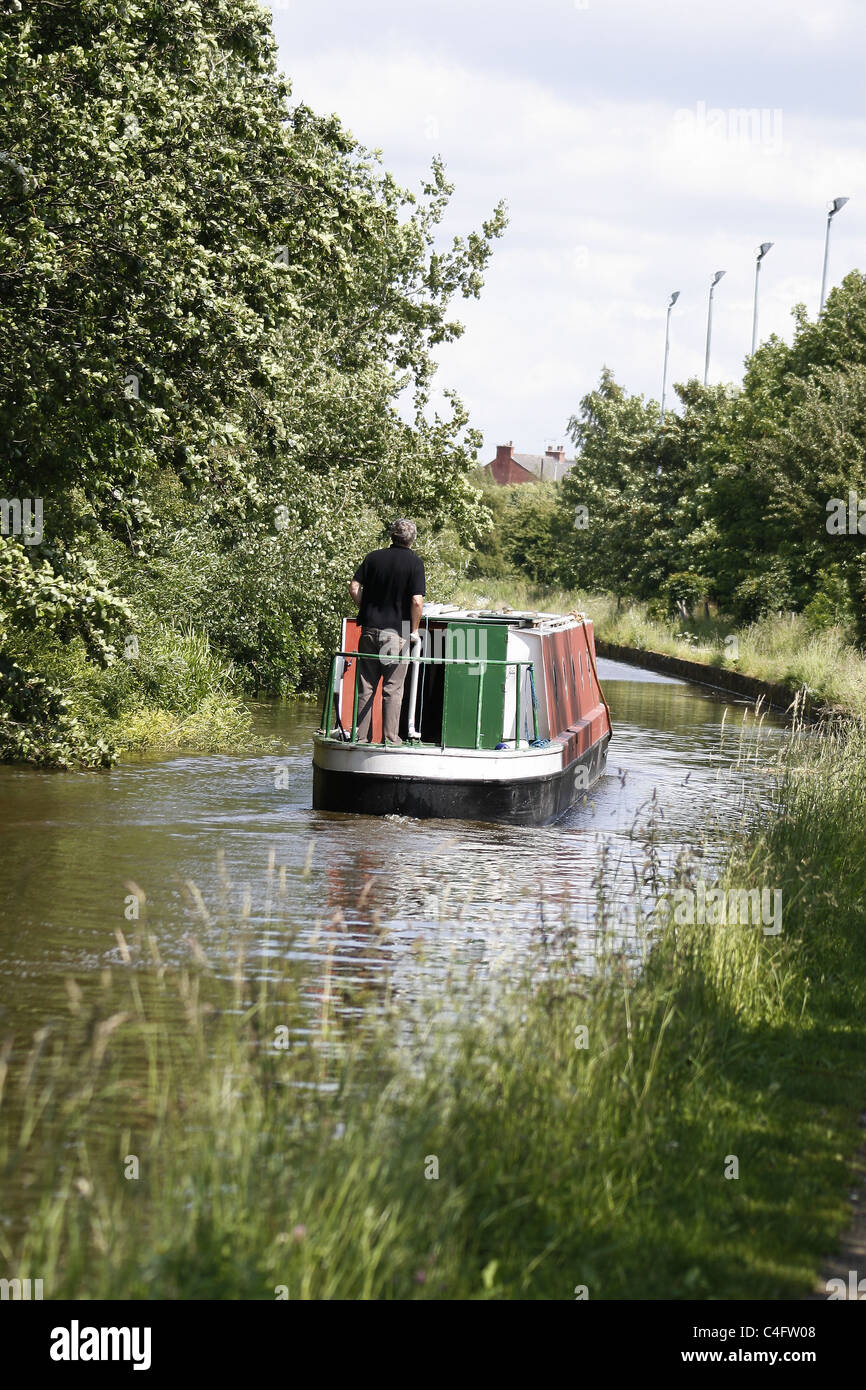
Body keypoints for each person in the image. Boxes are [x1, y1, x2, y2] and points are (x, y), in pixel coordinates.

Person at [348, 519, 426, 745]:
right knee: (392, 689)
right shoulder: (415, 563)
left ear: (391, 536)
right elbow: (417, 601)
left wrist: (366, 608)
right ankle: (391, 739)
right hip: (397, 634)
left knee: (366, 687)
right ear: (412, 539)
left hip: (369, 631)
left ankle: (361, 738)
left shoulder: (373, 558)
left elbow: (354, 587)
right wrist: (413, 630)